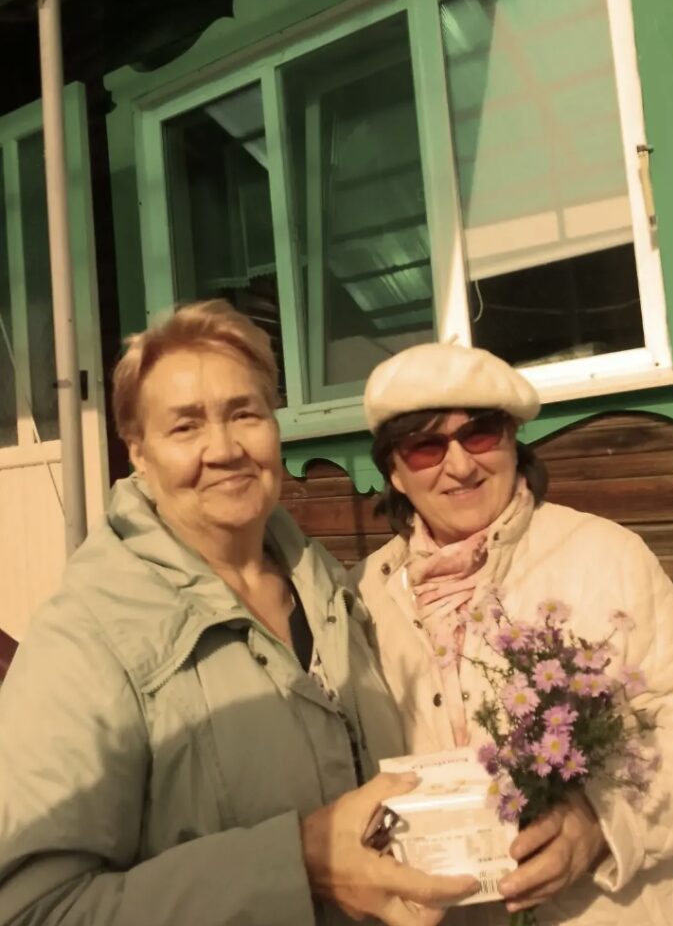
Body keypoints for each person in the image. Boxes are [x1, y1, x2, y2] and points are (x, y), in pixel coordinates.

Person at [0, 302, 478, 926]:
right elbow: (34, 909)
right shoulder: (84, 641)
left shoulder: (330, 588)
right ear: (137, 453)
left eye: (245, 414)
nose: (224, 449)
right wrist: (297, 864)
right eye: (185, 427)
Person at [351, 341, 673, 926]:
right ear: (395, 470)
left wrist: (600, 823)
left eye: (480, 434)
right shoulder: (364, 595)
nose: (460, 466)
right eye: (426, 446)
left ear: (513, 440)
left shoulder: (605, 554)